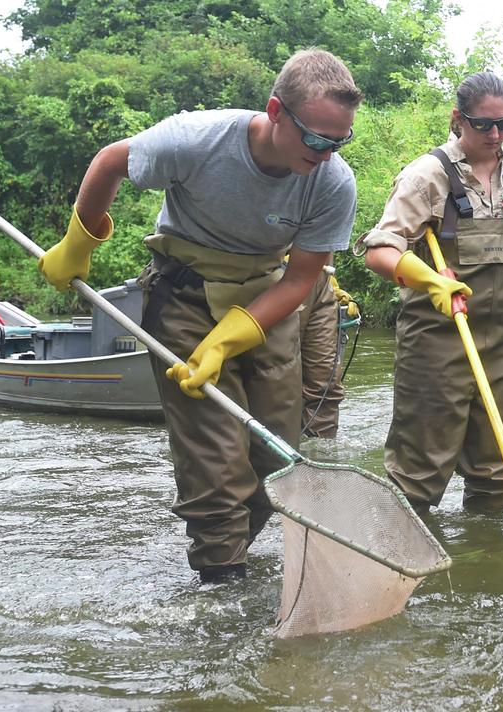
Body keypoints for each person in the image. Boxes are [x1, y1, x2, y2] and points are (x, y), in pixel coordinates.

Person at [37, 49, 362, 583]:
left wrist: (228, 341)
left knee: (277, 457)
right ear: (276, 110)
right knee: (215, 461)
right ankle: (220, 581)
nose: (327, 153)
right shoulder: (196, 138)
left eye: (339, 141)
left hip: (267, 304)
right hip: (184, 294)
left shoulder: (332, 182)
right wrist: (79, 241)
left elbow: (302, 280)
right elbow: (110, 162)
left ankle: (234, 550)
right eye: (317, 138)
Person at [359, 71, 503, 514]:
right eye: (482, 124)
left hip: (501, 342)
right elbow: (379, 251)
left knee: (497, 471)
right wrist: (430, 280)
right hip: (435, 343)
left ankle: (487, 564)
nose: (495, 134)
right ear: (457, 119)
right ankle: (408, 564)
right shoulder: (427, 176)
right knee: (418, 475)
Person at [297, 258, 358, 438]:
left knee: (325, 385)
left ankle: (322, 458)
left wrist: (329, 284)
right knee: (277, 382)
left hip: (317, 283)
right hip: (265, 277)